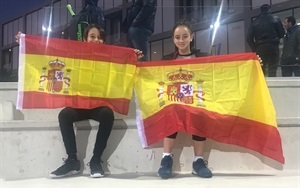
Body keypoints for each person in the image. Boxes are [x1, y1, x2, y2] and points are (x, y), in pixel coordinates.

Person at [16, 24, 143, 179]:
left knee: (107, 114)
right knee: (64, 115)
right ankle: (72, 160)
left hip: (98, 106)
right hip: (78, 104)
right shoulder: (74, 54)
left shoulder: (110, 57)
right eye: (92, 36)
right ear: (84, 39)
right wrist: (25, 42)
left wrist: (132, 57)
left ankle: (96, 160)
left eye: (100, 37)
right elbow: (50, 50)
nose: (97, 40)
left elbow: (122, 71)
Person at [157, 20, 212, 179]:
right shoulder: (166, 60)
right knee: (171, 109)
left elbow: (220, 72)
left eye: (185, 36)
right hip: (174, 101)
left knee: (199, 112)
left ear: (191, 37)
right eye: (177, 37)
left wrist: (254, 61)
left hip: (196, 100)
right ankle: (166, 159)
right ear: (173, 40)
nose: (181, 40)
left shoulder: (204, 57)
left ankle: (198, 161)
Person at [246, 4, 285, 77]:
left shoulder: (255, 22)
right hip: (272, 46)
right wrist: (275, 39)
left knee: (261, 70)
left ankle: (262, 87)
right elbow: (282, 33)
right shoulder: (275, 18)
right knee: (272, 68)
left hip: (260, 48)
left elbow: (248, 38)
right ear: (269, 10)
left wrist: (255, 48)